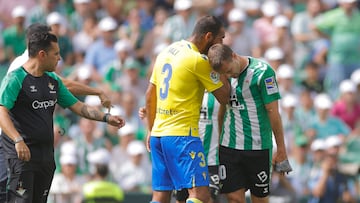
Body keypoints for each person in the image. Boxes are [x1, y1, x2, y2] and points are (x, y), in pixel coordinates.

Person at [0, 31, 125, 203]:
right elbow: (1, 111)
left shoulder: (52, 80)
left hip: (45, 156)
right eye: (56, 54)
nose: (59, 58)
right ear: (42, 55)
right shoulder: (15, 79)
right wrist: (17, 140)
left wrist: (106, 118)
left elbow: (78, 106)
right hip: (22, 156)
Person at [145, 15, 231, 203]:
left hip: (159, 136)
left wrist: (151, 130)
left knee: (160, 196)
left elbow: (150, 95)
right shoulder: (197, 60)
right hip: (183, 135)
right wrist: (220, 65)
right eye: (221, 38)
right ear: (209, 36)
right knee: (199, 195)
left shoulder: (166, 52)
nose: (221, 43)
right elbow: (224, 97)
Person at [207, 43, 292, 203]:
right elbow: (222, 109)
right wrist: (219, 140)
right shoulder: (223, 75)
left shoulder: (263, 72)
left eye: (229, 70)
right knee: (233, 198)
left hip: (258, 148)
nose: (229, 75)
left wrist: (281, 147)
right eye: (225, 73)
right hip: (229, 147)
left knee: (259, 199)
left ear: (233, 56)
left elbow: (273, 112)